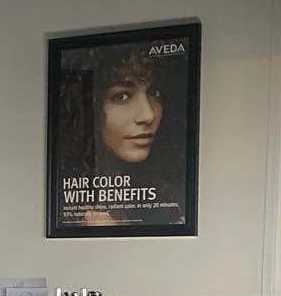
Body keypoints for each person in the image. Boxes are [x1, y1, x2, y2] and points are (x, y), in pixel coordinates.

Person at [53, 39, 187, 229]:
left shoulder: (175, 204)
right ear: (86, 107)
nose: (147, 115)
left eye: (154, 92)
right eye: (122, 96)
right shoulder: (63, 203)